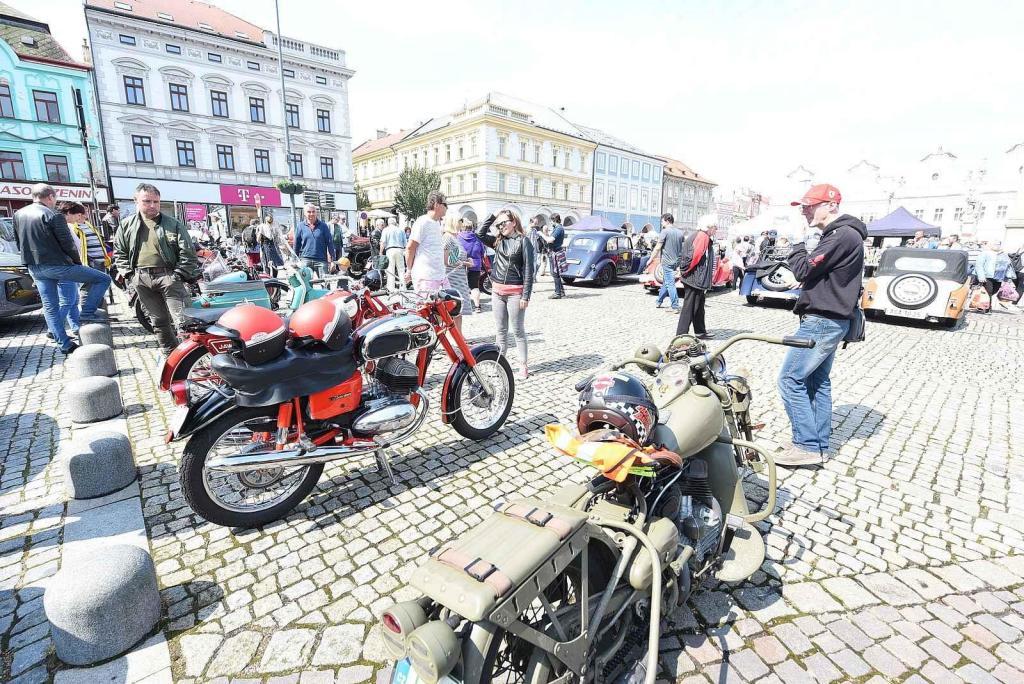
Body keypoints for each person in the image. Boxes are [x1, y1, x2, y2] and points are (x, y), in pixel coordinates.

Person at [777, 183, 866, 467]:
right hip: (831, 318)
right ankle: (816, 442)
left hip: (822, 320)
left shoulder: (841, 235)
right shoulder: (843, 235)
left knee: (790, 379)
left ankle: (806, 445)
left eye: (809, 205)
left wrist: (797, 244)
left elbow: (803, 268)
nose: (804, 211)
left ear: (831, 205)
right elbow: (819, 274)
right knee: (817, 382)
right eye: (803, 206)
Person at [14, 185, 110, 354]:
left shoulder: (18, 214)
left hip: (35, 267)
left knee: (50, 306)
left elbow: (18, 242)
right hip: (58, 266)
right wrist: (77, 263)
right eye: (55, 198)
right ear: (50, 197)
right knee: (103, 279)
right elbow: (68, 244)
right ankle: (87, 313)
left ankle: (64, 344)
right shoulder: (53, 215)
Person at [113, 182, 198, 355]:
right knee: (158, 321)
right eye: (147, 201)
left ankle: (192, 358)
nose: (152, 205)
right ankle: (170, 356)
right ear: (136, 201)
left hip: (168, 276)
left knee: (184, 321)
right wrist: (130, 275)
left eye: (156, 201)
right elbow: (119, 252)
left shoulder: (173, 224)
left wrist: (178, 275)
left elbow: (188, 252)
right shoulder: (126, 225)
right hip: (141, 277)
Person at [477, 211, 535, 380]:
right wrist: (494, 216)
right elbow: (479, 233)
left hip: (515, 293)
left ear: (514, 222)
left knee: (518, 330)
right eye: (499, 225)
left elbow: (529, 271)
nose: (501, 227)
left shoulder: (524, 241)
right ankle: (499, 364)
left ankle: (523, 366)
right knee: (501, 331)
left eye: (504, 223)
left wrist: (526, 296)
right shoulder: (498, 241)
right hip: (497, 291)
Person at [675, 214, 718, 337]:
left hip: (696, 277)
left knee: (698, 306)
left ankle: (700, 331)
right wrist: (685, 270)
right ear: (709, 227)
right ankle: (681, 335)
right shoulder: (702, 236)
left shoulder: (701, 235)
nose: (716, 230)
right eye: (715, 227)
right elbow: (695, 256)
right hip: (694, 278)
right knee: (690, 308)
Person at [405, 191, 448, 292]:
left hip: (440, 275)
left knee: (450, 305)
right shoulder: (422, 222)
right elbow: (410, 247)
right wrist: (409, 270)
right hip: (426, 277)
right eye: (445, 204)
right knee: (427, 307)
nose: (447, 208)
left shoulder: (437, 223)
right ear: (437, 205)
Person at [442, 217, 473, 332]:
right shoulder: (447, 237)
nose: (462, 224)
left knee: (458, 309)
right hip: (452, 277)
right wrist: (466, 263)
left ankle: (459, 335)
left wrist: (467, 260)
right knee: (454, 307)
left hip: (459, 277)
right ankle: (455, 336)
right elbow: (446, 261)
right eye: (460, 221)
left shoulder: (454, 237)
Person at [651, 213, 684, 312]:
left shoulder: (664, 232)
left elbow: (657, 248)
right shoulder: (680, 233)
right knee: (667, 282)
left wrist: (650, 259)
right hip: (676, 262)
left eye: (662, 221)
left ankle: (675, 305)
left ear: (667, 220)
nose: (661, 223)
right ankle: (659, 301)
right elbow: (683, 248)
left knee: (670, 283)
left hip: (667, 262)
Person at [293, 203, 336, 277]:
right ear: (305, 213)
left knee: (325, 284)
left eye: (313, 211)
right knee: (306, 286)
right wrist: (294, 260)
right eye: (309, 212)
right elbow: (296, 244)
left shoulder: (323, 226)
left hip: (321, 260)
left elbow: (330, 243)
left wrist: (333, 261)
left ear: (316, 213)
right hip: (305, 260)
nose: (311, 214)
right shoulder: (300, 226)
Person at [975, 241, 1016, 313]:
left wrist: (1007, 277)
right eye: (995, 244)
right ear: (990, 245)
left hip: (999, 277)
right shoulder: (985, 253)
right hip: (987, 276)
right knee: (989, 291)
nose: (997, 246)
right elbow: (979, 265)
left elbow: (1008, 266)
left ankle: (981, 305)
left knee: (995, 290)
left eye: (998, 244)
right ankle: (987, 308)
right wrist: (981, 276)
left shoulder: (1003, 254)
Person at [457, 217, 486, 313]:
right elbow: (482, 251)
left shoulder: (458, 237)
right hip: (475, 265)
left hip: (461, 265)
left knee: (461, 285)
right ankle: (477, 306)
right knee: (474, 286)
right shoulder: (477, 237)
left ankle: (462, 306)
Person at [540, 213, 566, 299]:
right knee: (555, 272)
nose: (551, 223)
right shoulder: (557, 228)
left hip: (555, 253)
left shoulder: (559, 229)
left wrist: (541, 234)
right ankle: (561, 292)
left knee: (555, 273)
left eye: (551, 221)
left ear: (554, 220)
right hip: (554, 252)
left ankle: (558, 293)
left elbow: (550, 240)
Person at [380, 216, 408, 291]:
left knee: (390, 269)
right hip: (400, 249)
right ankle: (403, 287)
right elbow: (405, 243)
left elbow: (383, 242)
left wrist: (380, 252)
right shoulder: (400, 230)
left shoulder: (386, 230)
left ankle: (391, 288)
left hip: (390, 250)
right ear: (395, 223)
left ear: (388, 223)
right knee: (401, 269)